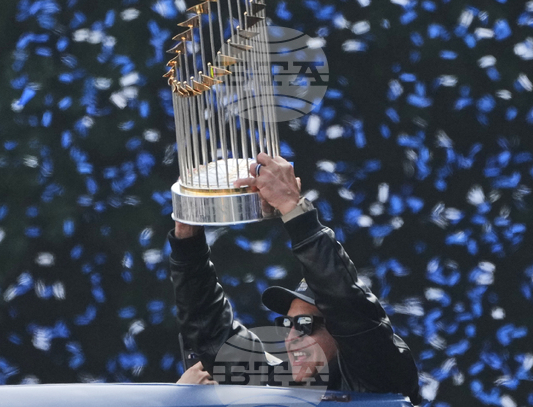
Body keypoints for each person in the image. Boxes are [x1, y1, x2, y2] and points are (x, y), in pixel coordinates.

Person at [168, 152, 421, 403]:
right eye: (288, 325)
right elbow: (211, 334)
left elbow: (344, 301)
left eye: (304, 325)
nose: (291, 338)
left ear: (341, 330)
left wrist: (292, 207)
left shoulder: (378, 374)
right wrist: (187, 238)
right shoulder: (283, 386)